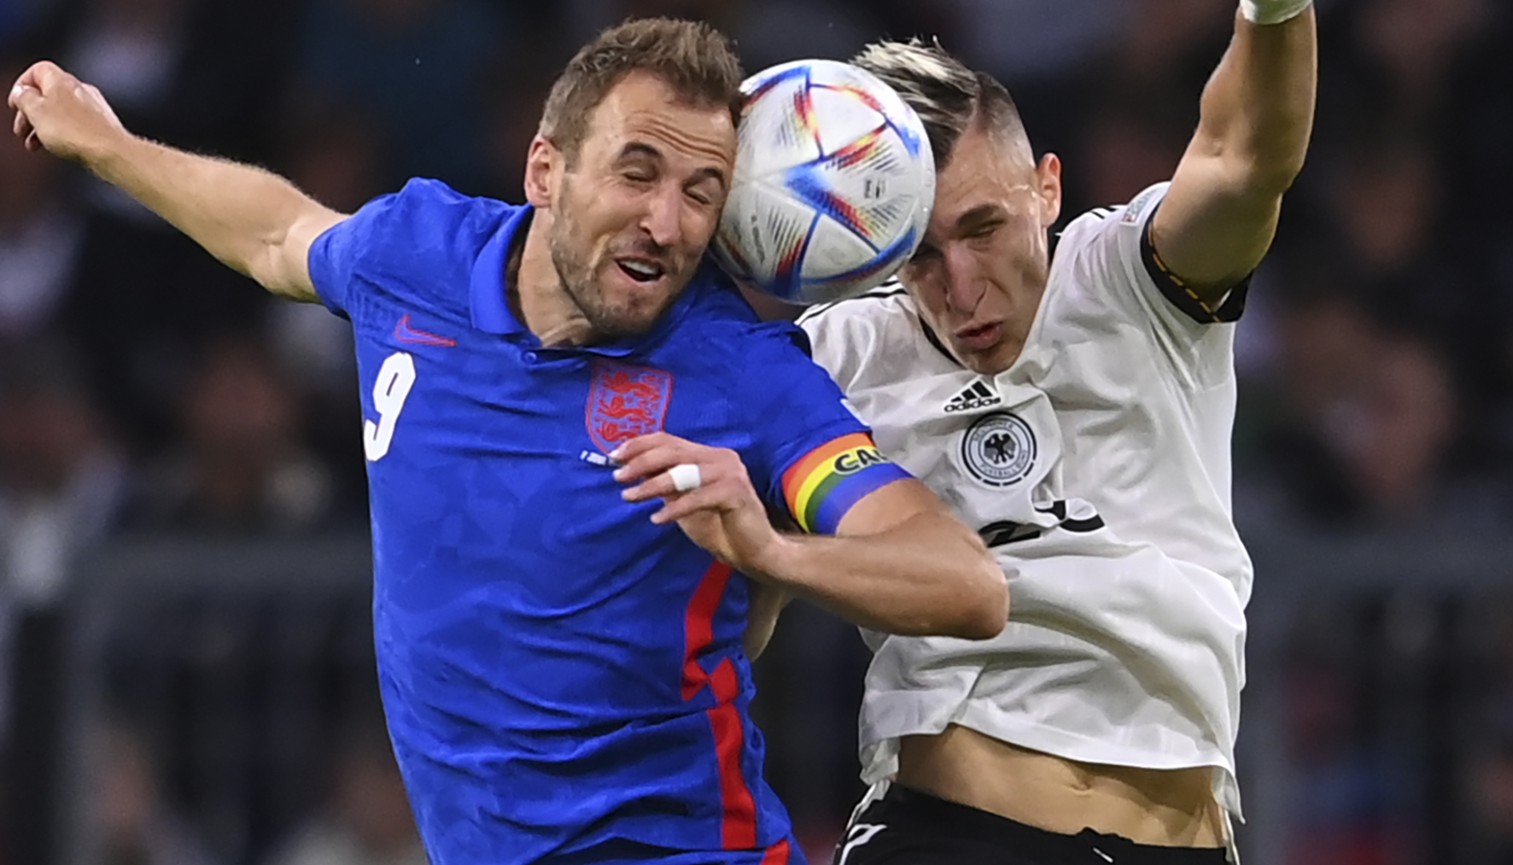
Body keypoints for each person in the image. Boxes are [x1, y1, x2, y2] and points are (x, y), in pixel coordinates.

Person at [8, 18, 1008, 865]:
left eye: (702, 192)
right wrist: (106, 145)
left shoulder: (740, 374)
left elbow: (967, 584)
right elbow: (278, 235)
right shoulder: (418, 256)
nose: (666, 222)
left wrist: (774, 550)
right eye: (639, 171)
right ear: (546, 169)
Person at [793, 2, 1318, 863]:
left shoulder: (1130, 279)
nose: (960, 287)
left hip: (1182, 835)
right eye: (919, 254)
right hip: (952, 828)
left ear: (1048, 187)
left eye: (983, 229)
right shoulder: (838, 357)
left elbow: (1245, 155)